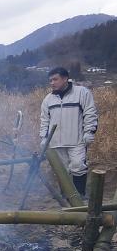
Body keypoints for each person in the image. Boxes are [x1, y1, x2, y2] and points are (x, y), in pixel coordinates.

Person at [40, 67, 98, 197]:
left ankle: (79, 196)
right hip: (55, 142)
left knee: (78, 166)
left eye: (55, 79)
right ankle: (66, 196)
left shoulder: (81, 93)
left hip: (76, 140)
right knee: (62, 170)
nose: (52, 83)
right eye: (50, 80)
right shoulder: (48, 99)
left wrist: (89, 132)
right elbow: (44, 120)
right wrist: (44, 137)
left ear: (65, 78)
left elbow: (90, 113)